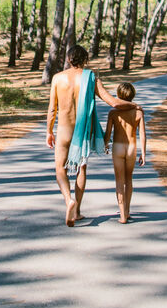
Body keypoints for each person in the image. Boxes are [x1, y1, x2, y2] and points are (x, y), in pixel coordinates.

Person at [45, 45, 139, 226]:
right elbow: (112, 102)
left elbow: (52, 109)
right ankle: (77, 210)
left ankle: (68, 200)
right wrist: (134, 106)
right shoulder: (91, 78)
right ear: (85, 59)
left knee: (59, 169)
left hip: (64, 129)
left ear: (68, 59)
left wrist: (49, 131)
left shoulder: (57, 78)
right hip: (83, 131)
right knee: (81, 168)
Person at [103, 82, 147, 223]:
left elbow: (108, 133)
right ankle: (127, 211)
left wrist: (105, 144)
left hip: (117, 147)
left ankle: (122, 215)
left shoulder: (113, 113)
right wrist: (144, 153)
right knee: (128, 180)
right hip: (131, 148)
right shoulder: (139, 112)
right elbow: (143, 134)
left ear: (119, 95)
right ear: (133, 95)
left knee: (119, 181)